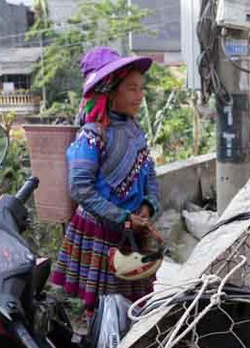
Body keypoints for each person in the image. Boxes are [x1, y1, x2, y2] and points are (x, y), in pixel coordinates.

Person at [51, 47, 161, 320]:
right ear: (110, 91)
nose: (140, 95)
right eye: (132, 88)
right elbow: (80, 188)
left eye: (141, 88)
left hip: (132, 233)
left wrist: (148, 205)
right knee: (103, 311)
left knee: (134, 306)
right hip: (100, 233)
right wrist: (122, 216)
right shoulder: (91, 136)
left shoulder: (134, 130)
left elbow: (150, 172)